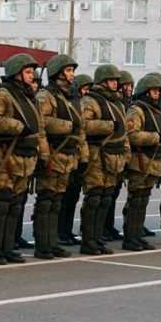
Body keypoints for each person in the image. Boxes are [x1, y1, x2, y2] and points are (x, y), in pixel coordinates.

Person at [0, 53, 49, 265]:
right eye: (28, 72)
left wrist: (44, 154)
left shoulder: (30, 97)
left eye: (32, 72)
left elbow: (40, 130)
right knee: (2, 202)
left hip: (26, 157)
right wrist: (17, 127)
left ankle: (8, 247)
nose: (32, 76)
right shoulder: (3, 94)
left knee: (16, 204)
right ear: (17, 73)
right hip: (7, 156)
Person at [34, 55, 87, 259]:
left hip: (67, 155)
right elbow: (42, 122)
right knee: (46, 200)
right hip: (54, 152)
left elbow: (80, 128)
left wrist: (83, 155)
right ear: (57, 73)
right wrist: (45, 153)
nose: (72, 74)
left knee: (57, 201)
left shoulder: (70, 97)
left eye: (72, 71)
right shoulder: (46, 96)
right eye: (68, 70)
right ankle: (42, 244)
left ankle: (52, 241)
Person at [80, 64, 130, 255]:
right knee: (94, 197)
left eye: (116, 80)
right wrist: (108, 125)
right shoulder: (91, 101)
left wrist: (126, 155)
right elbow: (84, 125)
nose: (115, 83)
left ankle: (97, 237)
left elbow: (123, 131)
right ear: (102, 81)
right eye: (111, 80)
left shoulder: (117, 103)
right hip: (97, 155)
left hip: (114, 156)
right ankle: (88, 240)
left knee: (106, 198)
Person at [123, 74, 161, 251]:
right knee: (135, 200)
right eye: (155, 90)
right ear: (146, 92)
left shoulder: (159, 112)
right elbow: (132, 135)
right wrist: (153, 137)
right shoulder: (137, 110)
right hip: (140, 162)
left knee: (143, 200)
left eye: (159, 91)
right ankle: (130, 238)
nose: (158, 94)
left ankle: (137, 235)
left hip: (154, 162)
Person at [58, 73, 93, 246]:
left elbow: (82, 133)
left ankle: (67, 231)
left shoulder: (77, 103)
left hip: (76, 156)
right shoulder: (72, 103)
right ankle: (60, 232)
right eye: (84, 89)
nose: (86, 92)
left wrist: (84, 157)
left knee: (72, 197)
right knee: (62, 198)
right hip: (64, 155)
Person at [103, 70, 135, 242]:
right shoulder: (115, 104)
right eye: (126, 85)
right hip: (110, 154)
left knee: (113, 193)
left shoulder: (125, 104)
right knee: (107, 194)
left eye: (131, 86)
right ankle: (103, 227)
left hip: (122, 153)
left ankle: (109, 226)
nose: (129, 89)